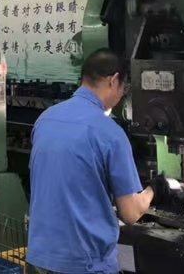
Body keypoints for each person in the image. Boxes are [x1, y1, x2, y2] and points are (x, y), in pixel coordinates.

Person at [27, 49, 169, 274]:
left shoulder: (46, 119)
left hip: (42, 257)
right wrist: (156, 189)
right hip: (85, 262)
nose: (122, 95)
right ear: (114, 80)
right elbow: (130, 213)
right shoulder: (110, 133)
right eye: (124, 88)